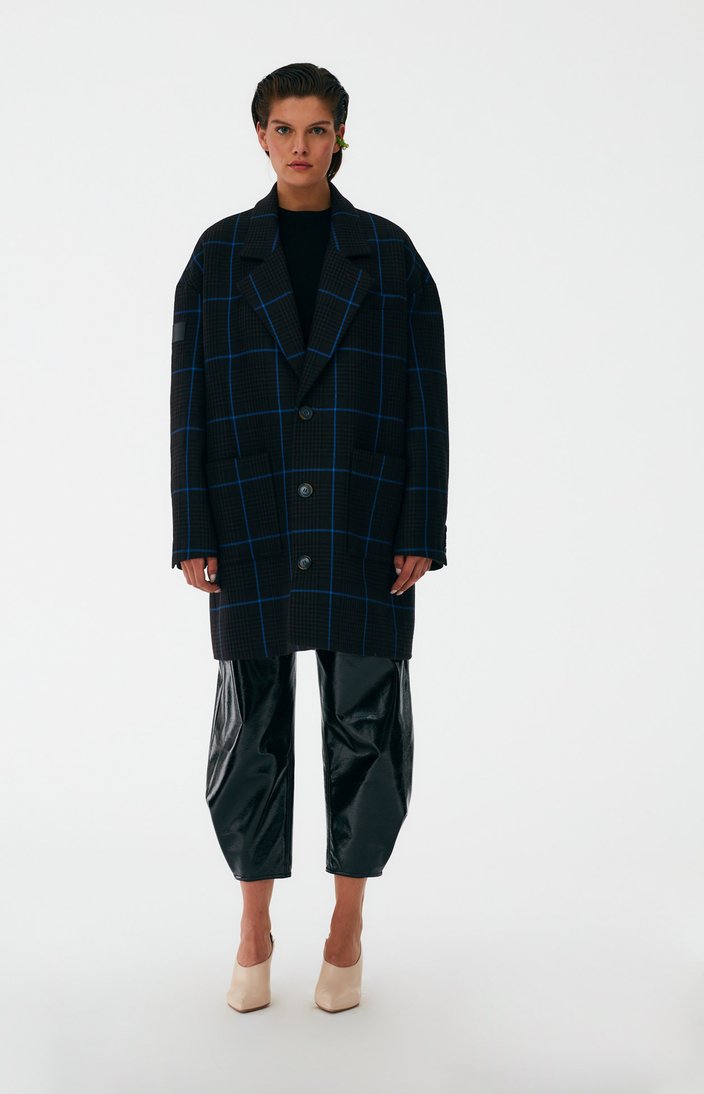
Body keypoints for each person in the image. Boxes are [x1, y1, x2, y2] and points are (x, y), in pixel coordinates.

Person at [169, 62, 449, 1012]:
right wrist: (193, 527)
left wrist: (420, 526)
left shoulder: (390, 256)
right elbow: (189, 402)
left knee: (366, 723)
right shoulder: (218, 256)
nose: (300, 146)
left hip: (362, 511)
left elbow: (425, 401)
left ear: (340, 138)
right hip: (248, 511)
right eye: (283, 129)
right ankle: (253, 925)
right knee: (250, 726)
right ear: (260, 136)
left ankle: (346, 923)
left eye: (317, 129)